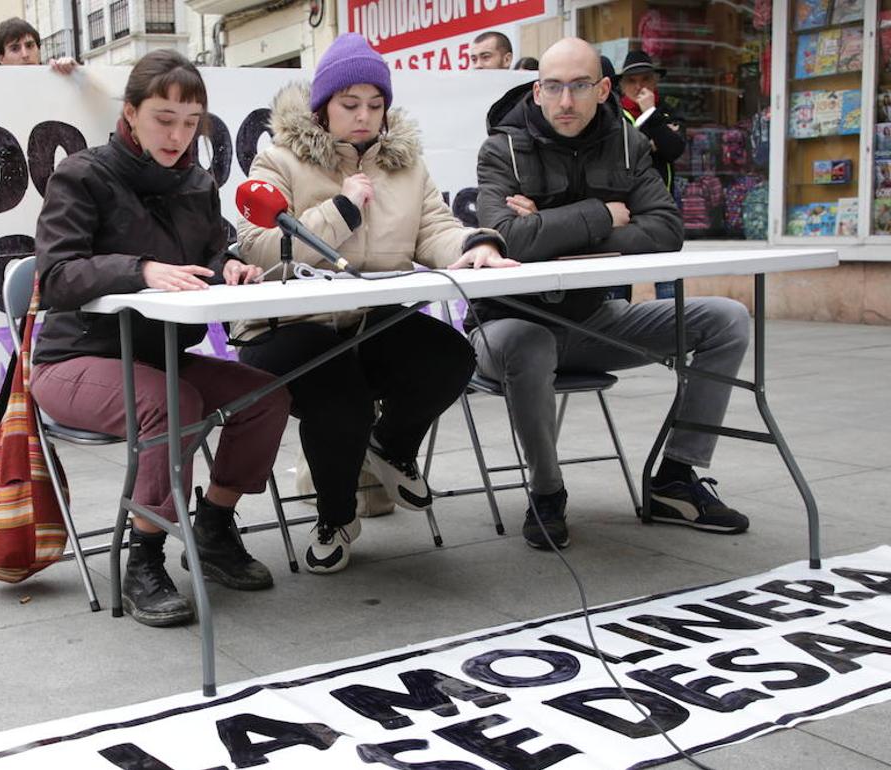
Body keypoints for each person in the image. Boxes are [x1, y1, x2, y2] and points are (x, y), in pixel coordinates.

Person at [236, 33, 516, 575]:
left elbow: (436, 229)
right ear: (322, 106)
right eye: (349, 104)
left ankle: (389, 446)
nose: (364, 116)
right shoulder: (278, 159)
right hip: (288, 326)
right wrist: (341, 210)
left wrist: (476, 245)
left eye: (375, 103)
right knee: (341, 395)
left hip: (370, 322)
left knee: (451, 357)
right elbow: (259, 245)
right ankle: (336, 518)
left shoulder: (407, 165)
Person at [31, 50, 291, 627]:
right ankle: (143, 558)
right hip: (73, 360)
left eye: (191, 122)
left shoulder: (198, 183)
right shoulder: (82, 175)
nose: (178, 135)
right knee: (173, 403)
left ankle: (214, 528)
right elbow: (57, 276)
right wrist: (141, 269)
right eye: (164, 119)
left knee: (265, 396)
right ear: (130, 113)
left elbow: (210, 253)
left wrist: (228, 266)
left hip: (159, 355)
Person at [471, 37, 751, 550]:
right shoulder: (502, 149)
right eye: (553, 87)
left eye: (579, 86)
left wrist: (549, 229)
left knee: (727, 319)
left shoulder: (628, 143)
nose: (565, 101)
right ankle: (547, 491)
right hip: (505, 329)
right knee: (530, 342)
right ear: (536, 91)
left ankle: (674, 480)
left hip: (591, 321)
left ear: (603, 89)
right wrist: (603, 213)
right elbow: (508, 239)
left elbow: (666, 230)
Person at [618, 50, 685, 187]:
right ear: (622, 86)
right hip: (626, 194)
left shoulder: (668, 109)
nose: (638, 87)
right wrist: (653, 143)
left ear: (655, 81)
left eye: (645, 79)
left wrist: (650, 112)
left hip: (662, 195)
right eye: (631, 81)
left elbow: (674, 150)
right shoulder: (614, 113)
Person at [0, 17, 78, 72]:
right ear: (1, 59)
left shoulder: (56, 79)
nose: (25, 55)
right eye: (15, 49)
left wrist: (75, 74)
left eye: (29, 46)